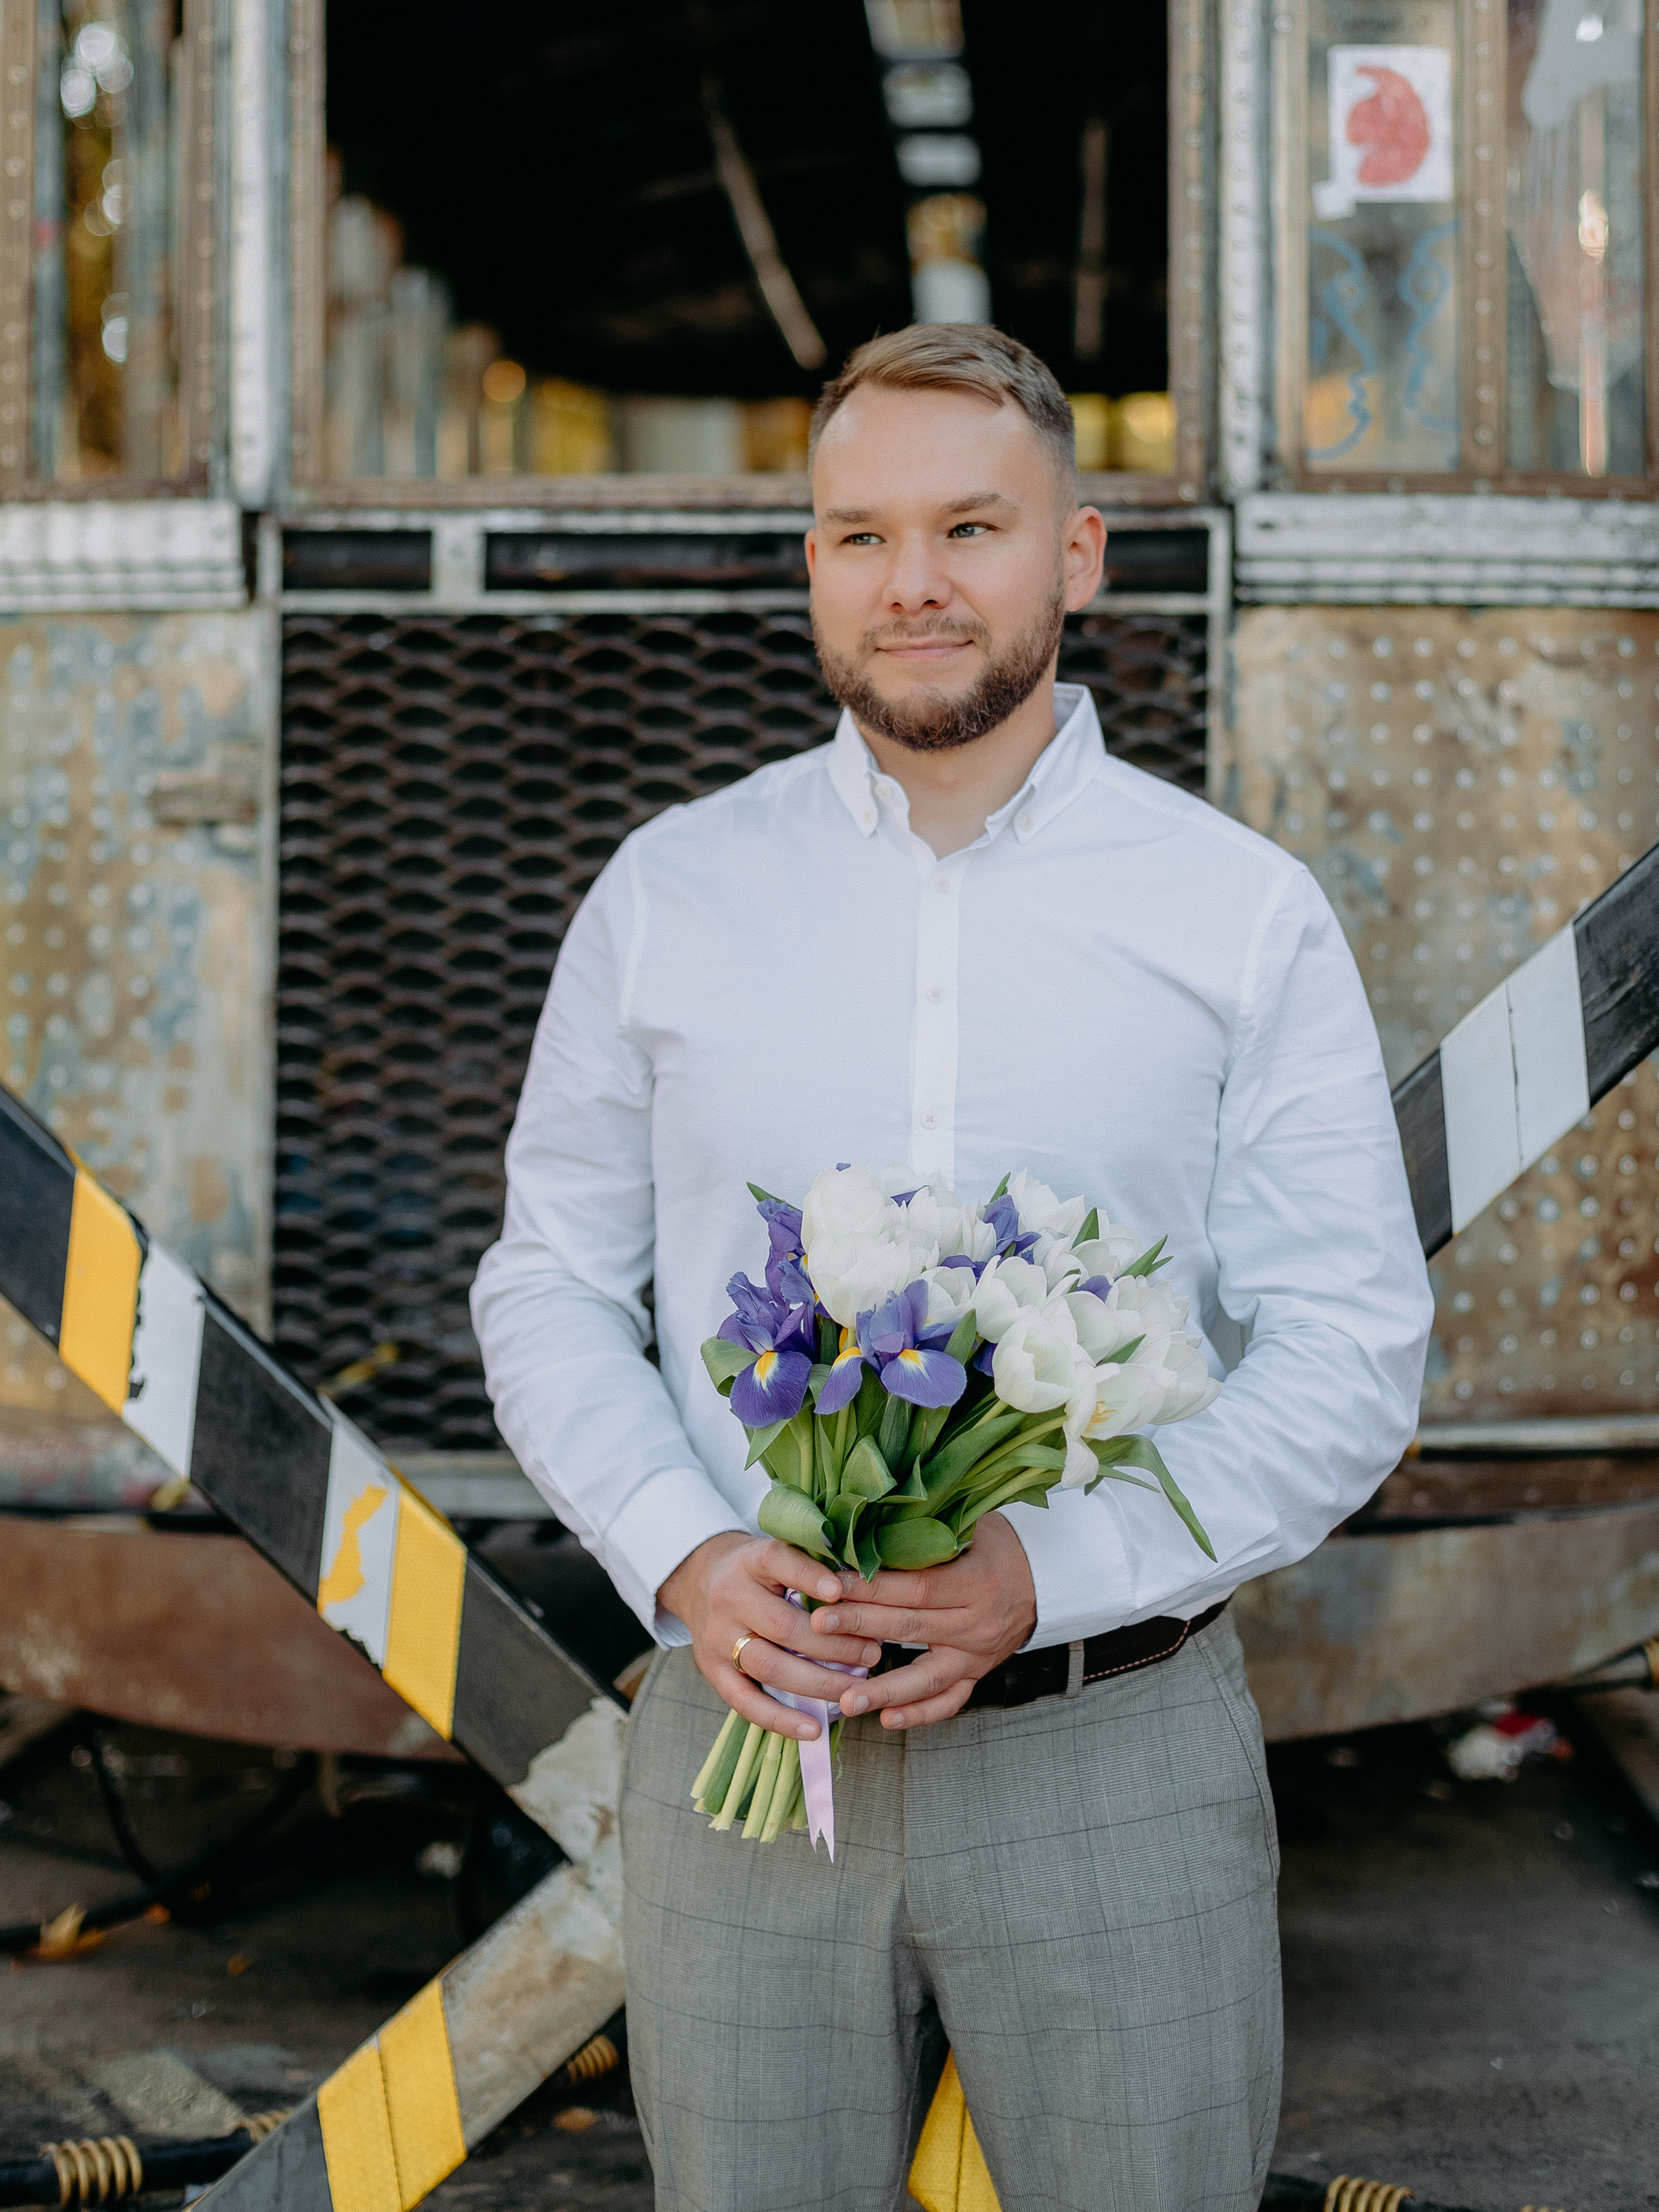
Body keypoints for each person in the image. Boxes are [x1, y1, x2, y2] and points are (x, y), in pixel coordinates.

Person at [471, 322, 1432, 2212]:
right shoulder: (671, 894)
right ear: (814, 564)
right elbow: (548, 1281)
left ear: (1074, 555)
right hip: (744, 1742)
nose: (911, 584)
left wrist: (1044, 1573)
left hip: (1111, 1745)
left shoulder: (1236, 915)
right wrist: (683, 1549)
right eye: (858, 536)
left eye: (971, 527)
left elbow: (1347, 1349)